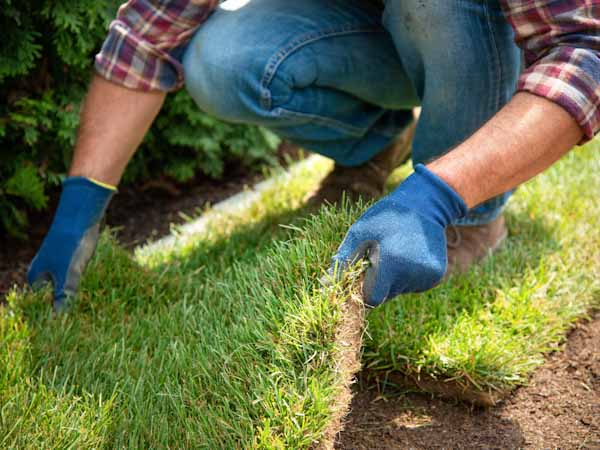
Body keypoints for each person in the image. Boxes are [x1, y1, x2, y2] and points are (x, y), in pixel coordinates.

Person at [28, 0, 599, 311]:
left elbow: (584, 51)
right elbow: (146, 35)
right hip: (369, 33)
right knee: (221, 61)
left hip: (470, 33)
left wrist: (439, 196)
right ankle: (377, 146)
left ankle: (474, 217)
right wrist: (78, 208)